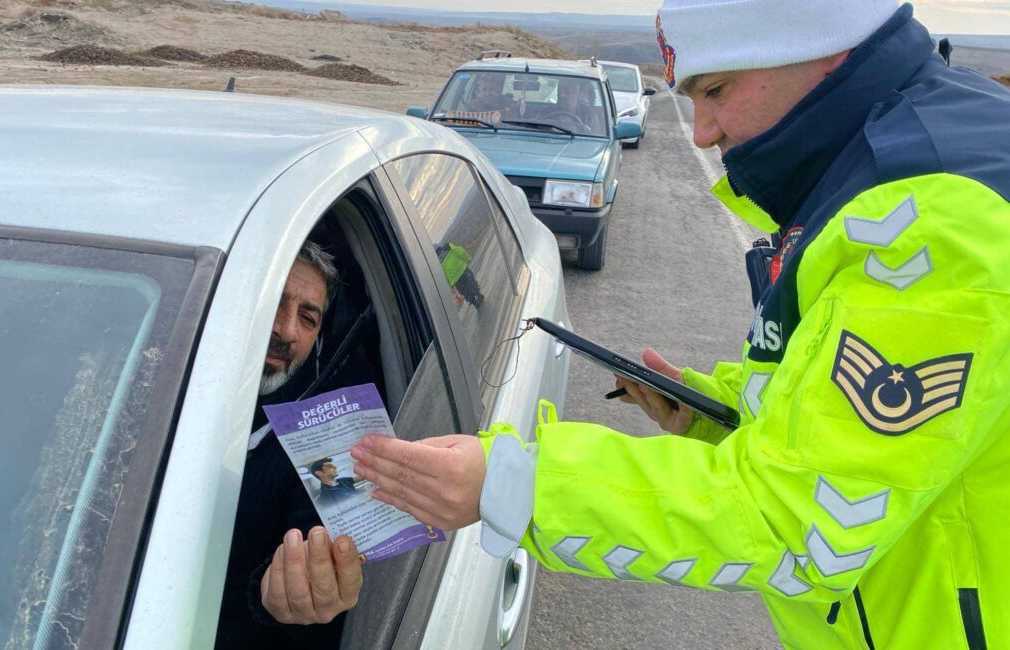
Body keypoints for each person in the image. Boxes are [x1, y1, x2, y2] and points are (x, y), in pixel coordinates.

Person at [351, 1, 1010, 648]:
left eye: (715, 90)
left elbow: (802, 525)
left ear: (819, 43)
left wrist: (512, 484)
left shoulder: (932, 226)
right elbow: (860, 433)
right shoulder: (911, 153)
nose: (702, 131)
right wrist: (715, 414)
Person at [216, 241, 364, 649]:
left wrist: (282, 591)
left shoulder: (326, 427)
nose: (285, 330)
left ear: (318, 337)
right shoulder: (152, 377)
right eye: (274, 302)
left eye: (307, 317)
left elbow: (321, 528)